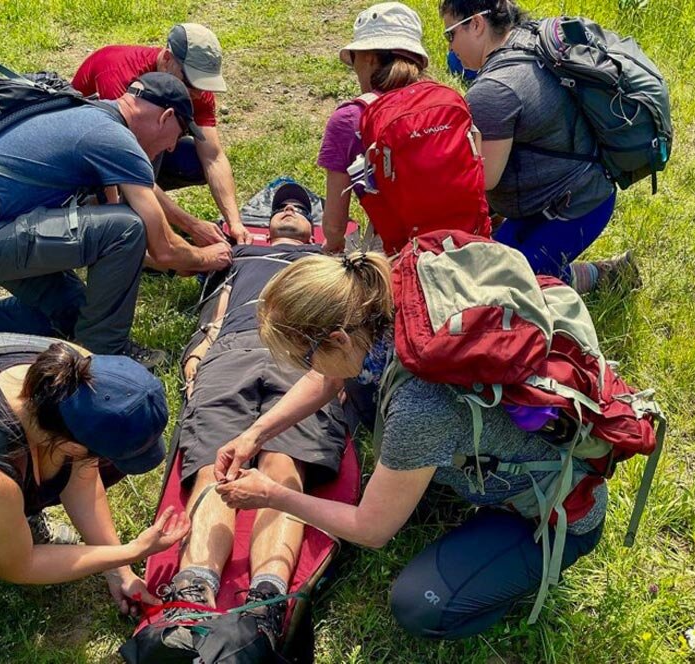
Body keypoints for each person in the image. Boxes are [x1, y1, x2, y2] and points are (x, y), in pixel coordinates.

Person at [210, 251, 605, 639]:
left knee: (418, 605)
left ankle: (507, 571)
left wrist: (272, 495)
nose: (308, 369)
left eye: (308, 358)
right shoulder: (382, 297)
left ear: (338, 338)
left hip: (555, 515)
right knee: (364, 395)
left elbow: (371, 529)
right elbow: (329, 379)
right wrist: (254, 435)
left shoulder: (419, 407)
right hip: (492, 449)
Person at [0, 72, 232, 367]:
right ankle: (105, 354)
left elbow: (128, 249)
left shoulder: (91, 113)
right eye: (178, 135)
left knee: (69, 318)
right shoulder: (114, 138)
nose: (170, 147)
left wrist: (184, 257)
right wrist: (206, 258)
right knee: (126, 227)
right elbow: (160, 247)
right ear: (165, 116)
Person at [160, 183, 346, 642]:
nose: (288, 209)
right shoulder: (240, 257)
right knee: (214, 465)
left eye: (300, 209)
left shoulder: (328, 263)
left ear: (313, 231)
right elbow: (216, 311)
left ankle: (266, 604)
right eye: (281, 206)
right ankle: (192, 595)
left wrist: (340, 375)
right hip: (231, 351)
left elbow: (347, 321)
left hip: (304, 357)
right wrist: (199, 352)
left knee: (284, 464)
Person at [0, 338, 190, 663]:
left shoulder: (79, 373)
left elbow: (80, 479)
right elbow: (19, 565)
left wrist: (120, 571)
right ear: (71, 447)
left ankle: (6, 521)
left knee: (103, 460)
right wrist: (130, 551)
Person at [440, 0, 639, 293]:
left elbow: (482, 180)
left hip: (573, 208)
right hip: (575, 192)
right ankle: (581, 272)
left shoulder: (493, 91)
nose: (449, 48)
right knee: (486, 268)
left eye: (450, 35)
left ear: (477, 25)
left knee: (496, 286)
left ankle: (605, 275)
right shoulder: (528, 38)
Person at [72, 23, 251, 246]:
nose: (195, 93)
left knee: (193, 161)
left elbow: (213, 157)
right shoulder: (118, 72)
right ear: (166, 58)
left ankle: (140, 210)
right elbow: (127, 166)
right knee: (126, 186)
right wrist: (190, 225)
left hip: (134, 152)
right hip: (91, 158)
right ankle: (103, 215)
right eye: (190, 83)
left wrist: (234, 222)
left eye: (202, 86)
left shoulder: (196, 90)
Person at [318, 2, 429, 253]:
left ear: (367, 57)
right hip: (460, 242)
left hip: (401, 254)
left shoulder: (350, 118)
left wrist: (329, 251)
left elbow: (335, 228)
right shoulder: (446, 101)